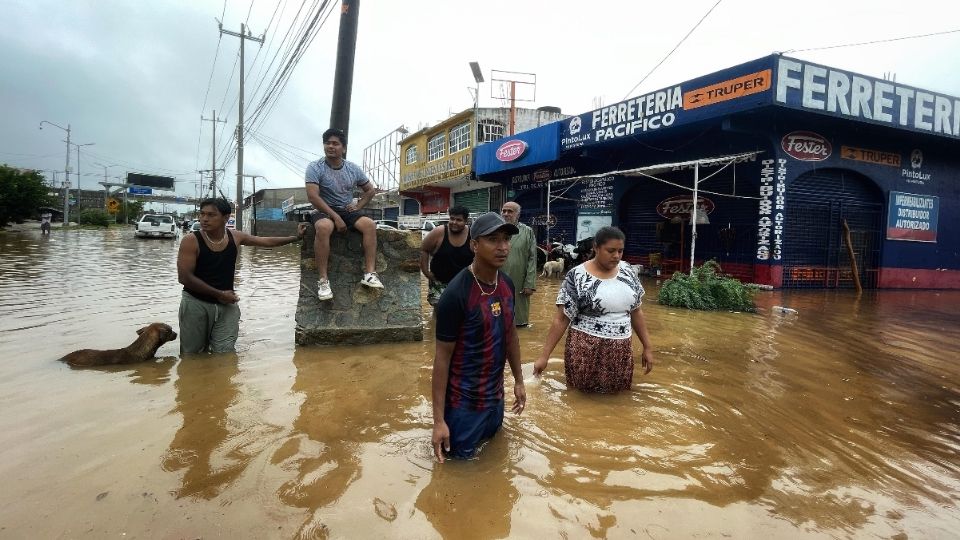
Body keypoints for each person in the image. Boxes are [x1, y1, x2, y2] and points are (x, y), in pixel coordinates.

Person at [432, 212, 527, 462]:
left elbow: (510, 336)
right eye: (493, 240)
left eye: (506, 239)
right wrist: (439, 421)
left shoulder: (506, 284)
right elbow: (441, 360)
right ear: (474, 245)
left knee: (494, 464)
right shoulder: (456, 295)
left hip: (496, 401)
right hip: (464, 408)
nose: (503, 247)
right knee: (457, 473)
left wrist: (519, 380)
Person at [177, 197, 308, 354]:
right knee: (192, 355)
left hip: (227, 305)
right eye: (202, 214)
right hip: (195, 303)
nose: (204, 219)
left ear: (226, 217)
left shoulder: (235, 236)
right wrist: (219, 294)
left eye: (211, 215)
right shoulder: (191, 240)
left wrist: (296, 238)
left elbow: (266, 241)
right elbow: (184, 277)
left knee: (225, 353)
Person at [534, 226, 654, 393]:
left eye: (620, 251)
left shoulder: (628, 271)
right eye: (611, 251)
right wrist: (544, 357)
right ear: (596, 248)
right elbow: (561, 319)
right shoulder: (577, 276)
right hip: (585, 350)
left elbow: (636, 312)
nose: (616, 256)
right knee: (581, 399)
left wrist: (647, 347)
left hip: (621, 352)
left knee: (616, 400)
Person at [305, 128, 383, 301]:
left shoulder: (352, 169)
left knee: (369, 225)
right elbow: (313, 197)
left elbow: (370, 191)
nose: (330, 146)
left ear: (344, 148)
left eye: (335, 143)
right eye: (327, 143)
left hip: (346, 209)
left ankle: (370, 273)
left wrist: (358, 205)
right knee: (324, 227)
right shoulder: (315, 167)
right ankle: (323, 280)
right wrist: (335, 216)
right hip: (323, 209)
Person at [420, 205, 474, 306]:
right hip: (440, 282)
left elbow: (480, 257)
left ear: (466, 221)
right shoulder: (439, 232)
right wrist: (426, 272)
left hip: (464, 284)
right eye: (452, 218)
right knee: (439, 311)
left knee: (462, 312)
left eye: (459, 220)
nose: (454, 222)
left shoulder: (472, 235)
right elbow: (424, 249)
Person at [499, 201, 537, 327]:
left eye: (510, 211)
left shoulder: (527, 232)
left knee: (519, 321)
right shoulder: (495, 230)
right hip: (496, 278)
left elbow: (532, 258)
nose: (505, 214)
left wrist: (530, 283)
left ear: (518, 215)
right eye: (503, 211)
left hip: (519, 281)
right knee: (496, 315)